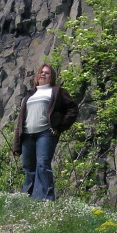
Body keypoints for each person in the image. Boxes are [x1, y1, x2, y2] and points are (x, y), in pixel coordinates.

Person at [13, 64, 79, 201]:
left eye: (47, 73)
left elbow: (72, 110)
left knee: (42, 164)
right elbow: (21, 120)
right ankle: (29, 200)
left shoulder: (56, 91)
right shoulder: (29, 95)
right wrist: (17, 144)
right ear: (37, 76)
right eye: (41, 72)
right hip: (27, 136)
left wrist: (59, 126)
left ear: (52, 77)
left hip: (45, 133)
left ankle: (46, 199)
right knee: (28, 167)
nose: (43, 74)